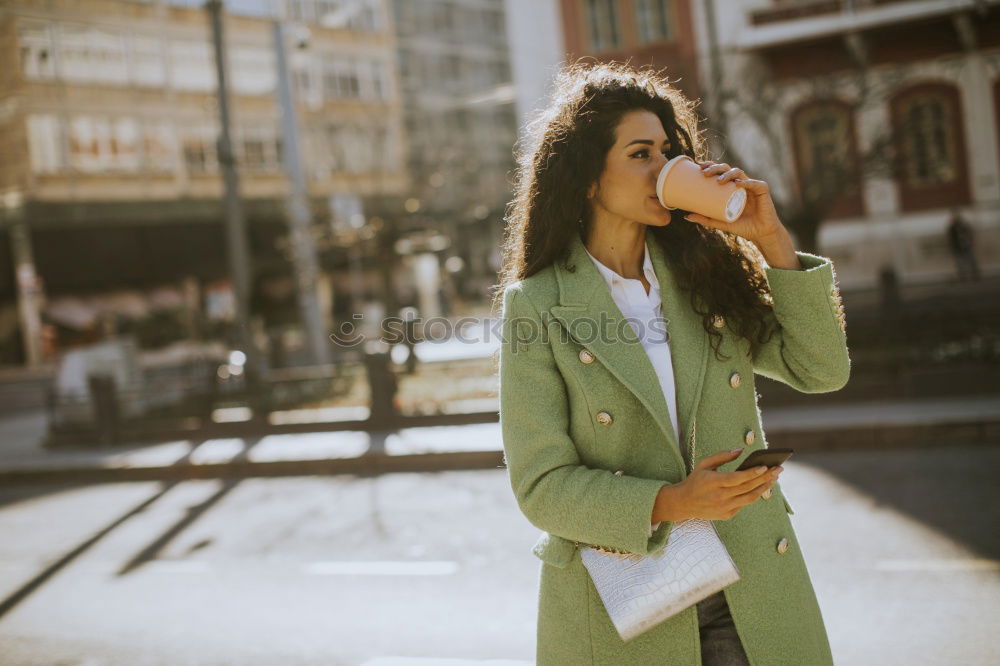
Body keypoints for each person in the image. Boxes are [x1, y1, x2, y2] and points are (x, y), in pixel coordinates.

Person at [492, 62, 850, 664]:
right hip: (630, 607)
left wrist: (770, 241)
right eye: (640, 153)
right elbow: (541, 488)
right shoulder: (538, 306)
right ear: (586, 178)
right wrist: (674, 503)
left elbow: (821, 370)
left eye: (668, 149)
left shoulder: (706, 275)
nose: (664, 167)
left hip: (752, 584)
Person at [946, 208, 980, 282]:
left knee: (971, 260)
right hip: (957, 247)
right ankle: (962, 276)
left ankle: (975, 275)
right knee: (960, 263)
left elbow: (970, 233)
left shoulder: (964, 224)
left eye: (957, 214)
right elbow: (950, 238)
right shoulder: (952, 227)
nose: (956, 216)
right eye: (954, 215)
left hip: (966, 245)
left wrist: (971, 241)